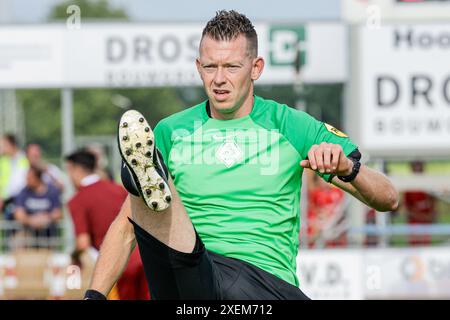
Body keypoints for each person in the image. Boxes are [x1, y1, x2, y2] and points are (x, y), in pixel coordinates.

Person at [85, 10, 399, 300]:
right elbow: (127, 227)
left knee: (189, 262)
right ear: (199, 67)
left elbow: (388, 198)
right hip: (192, 274)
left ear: (255, 68)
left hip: (263, 285)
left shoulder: (292, 125)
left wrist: (347, 168)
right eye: (210, 67)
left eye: (231, 66)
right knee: (152, 217)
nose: (219, 79)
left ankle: (154, 185)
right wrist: (93, 297)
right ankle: (150, 179)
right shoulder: (171, 131)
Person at [65, 149, 149, 300]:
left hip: (119, 266)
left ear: (74, 169)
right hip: (145, 259)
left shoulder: (77, 200)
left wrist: (74, 258)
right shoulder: (118, 189)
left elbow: (83, 243)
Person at [13, 165, 62, 249]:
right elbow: (18, 214)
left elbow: (58, 213)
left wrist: (45, 219)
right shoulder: (24, 192)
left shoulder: (52, 191)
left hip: (48, 233)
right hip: (28, 232)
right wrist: (31, 220)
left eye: (29, 178)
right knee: (18, 242)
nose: (27, 181)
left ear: (37, 178)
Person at [403, 161, 436, 246]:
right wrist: (420, 216)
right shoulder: (408, 187)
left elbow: (433, 202)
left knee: (425, 244)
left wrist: (430, 215)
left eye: (419, 168)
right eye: (415, 168)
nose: (418, 170)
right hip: (415, 222)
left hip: (426, 222)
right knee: (415, 245)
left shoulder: (428, 184)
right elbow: (407, 208)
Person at [0, 134, 29, 219]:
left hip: (22, 200)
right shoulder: (2, 161)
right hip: (5, 200)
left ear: (11, 145)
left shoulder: (25, 159)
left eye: (4, 145)